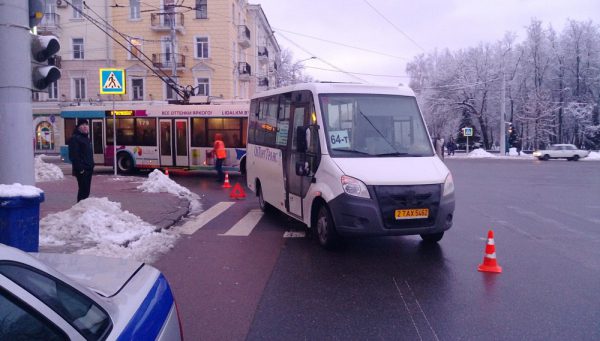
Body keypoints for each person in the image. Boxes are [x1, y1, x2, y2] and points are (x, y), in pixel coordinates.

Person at [69, 119, 94, 202]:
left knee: (86, 191)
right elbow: (74, 156)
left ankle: (82, 209)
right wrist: (81, 170)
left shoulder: (86, 138)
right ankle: (80, 208)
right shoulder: (75, 138)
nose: (85, 127)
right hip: (82, 170)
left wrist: (91, 165)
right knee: (83, 191)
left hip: (88, 169)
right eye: (82, 125)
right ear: (79, 127)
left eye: (86, 125)